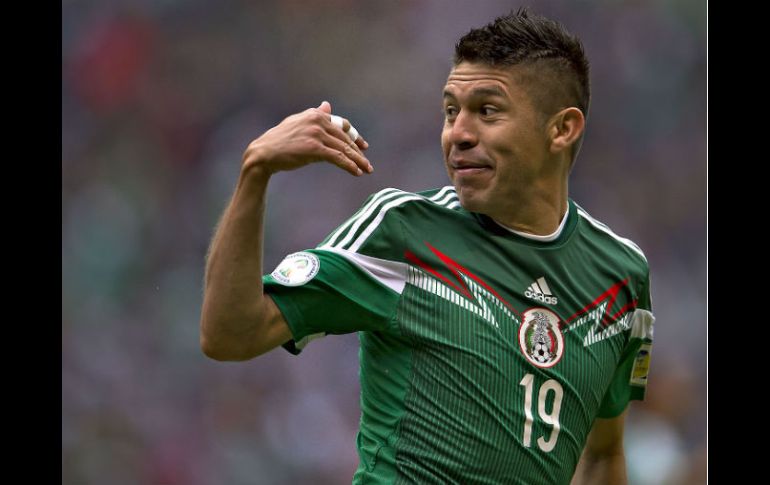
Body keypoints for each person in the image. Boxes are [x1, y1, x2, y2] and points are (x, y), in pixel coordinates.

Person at [200, 8, 655, 485]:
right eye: (451, 111)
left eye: (487, 111)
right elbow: (230, 335)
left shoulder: (621, 275)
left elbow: (603, 455)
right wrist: (255, 172)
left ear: (561, 129)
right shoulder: (402, 229)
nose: (458, 133)